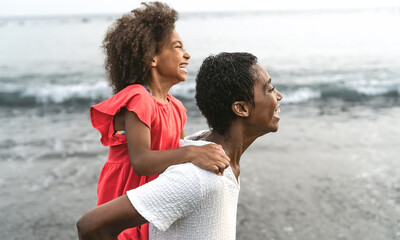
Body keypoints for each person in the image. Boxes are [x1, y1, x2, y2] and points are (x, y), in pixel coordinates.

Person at [77, 52, 283, 240]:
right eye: (270, 89)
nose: (278, 96)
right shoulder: (198, 177)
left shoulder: (209, 152)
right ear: (241, 108)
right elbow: (92, 226)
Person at [91, 2, 230, 239]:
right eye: (177, 47)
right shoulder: (138, 98)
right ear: (152, 57)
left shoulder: (176, 107)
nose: (187, 54)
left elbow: (180, 148)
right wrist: (194, 154)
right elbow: (142, 161)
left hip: (153, 196)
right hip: (124, 195)